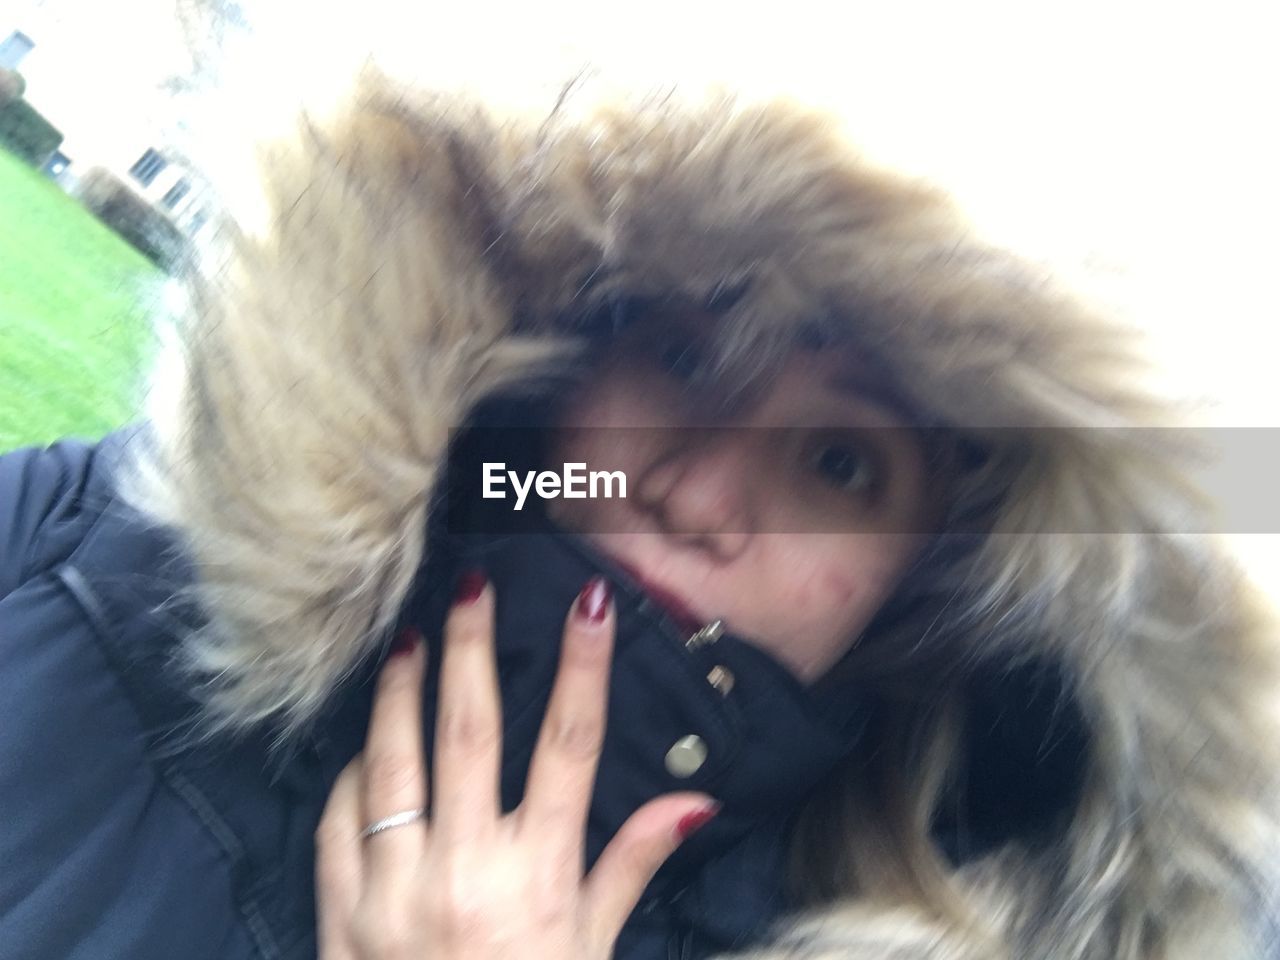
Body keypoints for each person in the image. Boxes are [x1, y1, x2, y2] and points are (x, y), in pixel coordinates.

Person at [1, 73, 1278, 960]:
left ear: (928, 588)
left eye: (838, 463)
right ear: (560, 345)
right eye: (676, 355)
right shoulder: (90, 554)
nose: (695, 494)